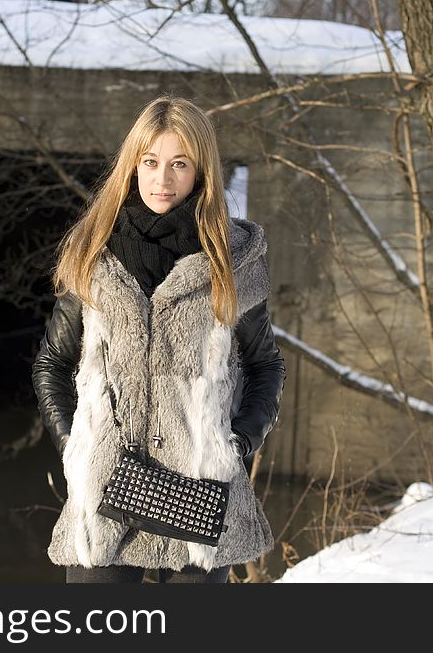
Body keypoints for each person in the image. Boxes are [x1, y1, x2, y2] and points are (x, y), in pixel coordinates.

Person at [31, 96, 285, 584]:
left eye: (179, 164)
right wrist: (76, 448)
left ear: (200, 172)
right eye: (150, 162)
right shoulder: (92, 253)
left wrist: (234, 445)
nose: (162, 180)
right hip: (105, 494)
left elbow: (265, 365)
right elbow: (53, 363)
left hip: (197, 494)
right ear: (133, 166)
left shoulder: (232, 260)